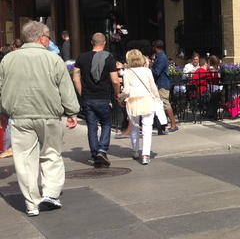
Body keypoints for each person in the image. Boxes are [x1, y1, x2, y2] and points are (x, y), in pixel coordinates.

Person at [0, 20, 79, 216]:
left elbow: (2, 89)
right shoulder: (53, 59)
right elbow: (65, 89)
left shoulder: (8, 59)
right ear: (42, 38)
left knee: (25, 159)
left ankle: (31, 203)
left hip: (20, 116)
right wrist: (72, 112)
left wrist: (2, 113)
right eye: (48, 38)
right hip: (48, 114)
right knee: (51, 153)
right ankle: (50, 193)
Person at [72, 33, 120, 167]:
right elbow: (115, 80)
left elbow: (76, 79)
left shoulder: (81, 58)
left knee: (92, 127)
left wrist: (83, 94)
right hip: (103, 97)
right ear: (104, 42)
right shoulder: (109, 58)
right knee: (106, 123)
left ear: (92, 42)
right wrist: (117, 93)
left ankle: (95, 155)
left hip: (88, 97)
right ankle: (102, 149)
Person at [119, 49, 161, 165]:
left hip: (133, 100)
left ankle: (135, 150)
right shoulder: (147, 71)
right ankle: (145, 154)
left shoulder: (127, 72)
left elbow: (126, 90)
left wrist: (120, 99)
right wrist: (158, 99)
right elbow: (153, 88)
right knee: (147, 128)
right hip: (147, 99)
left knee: (134, 126)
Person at [151, 40, 178, 132]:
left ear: (155, 47)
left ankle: (173, 124)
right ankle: (162, 125)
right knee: (160, 105)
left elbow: (157, 72)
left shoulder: (162, 57)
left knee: (165, 103)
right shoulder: (159, 57)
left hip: (162, 83)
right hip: (159, 83)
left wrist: (149, 69)